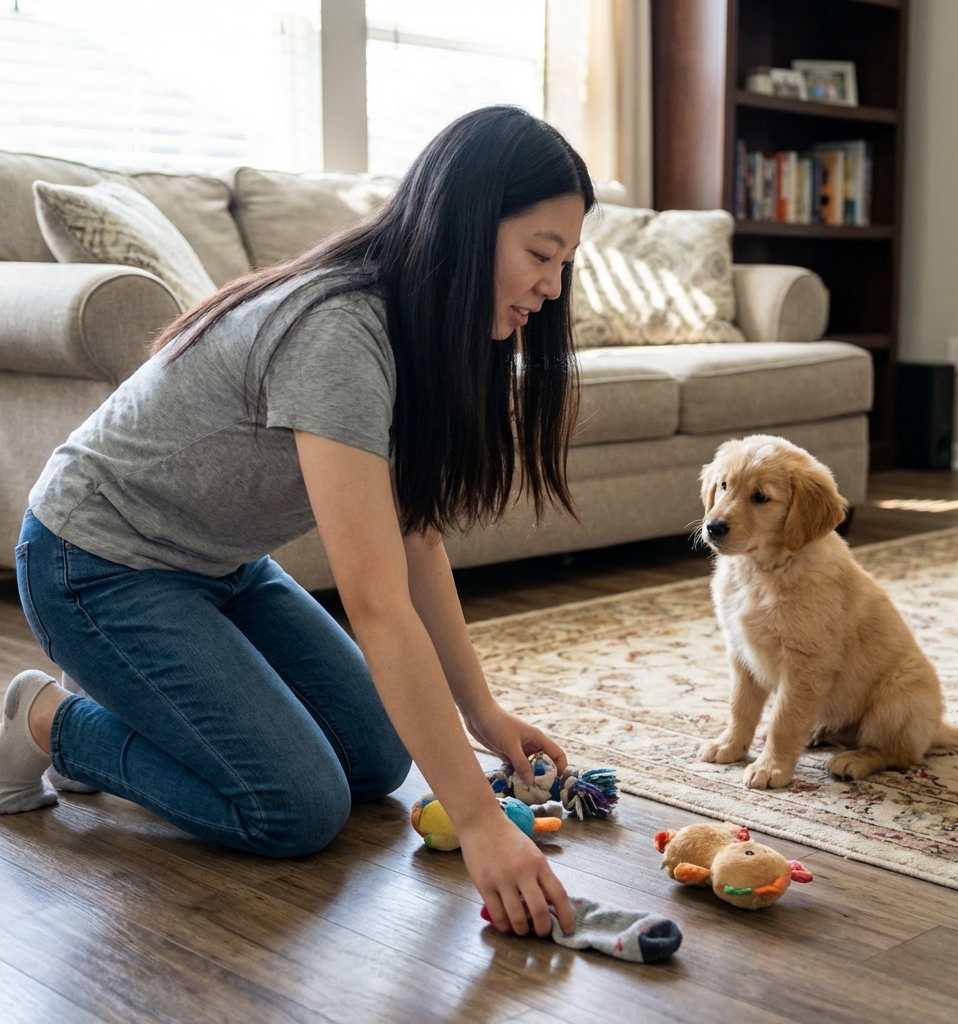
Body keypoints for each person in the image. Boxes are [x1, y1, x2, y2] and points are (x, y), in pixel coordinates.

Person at [1, 105, 593, 940]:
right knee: (292, 808)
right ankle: (46, 720)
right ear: (466, 225)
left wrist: (481, 712)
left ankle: (141, 700)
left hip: (223, 567)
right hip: (93, 564)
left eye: (565, 261)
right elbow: (379, 605)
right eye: (540, 254)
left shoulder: (421, 331)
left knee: (378, 759)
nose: (552, 286)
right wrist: (482, 824)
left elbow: (416, 537)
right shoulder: (340, 330)